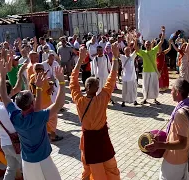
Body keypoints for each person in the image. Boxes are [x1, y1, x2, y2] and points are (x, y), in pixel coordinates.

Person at [0, 59, 65, 180]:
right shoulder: (39, 117)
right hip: (45, 160)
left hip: (27, 161)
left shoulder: (15, 117)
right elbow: (59, 104)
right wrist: (62, 82)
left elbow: (3, 95)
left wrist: (2, 75)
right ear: (32, 103)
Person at [69, 45, 120, 180]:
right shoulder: (102, 98)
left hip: (88, 142)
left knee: (89, 169)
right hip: (103, 139)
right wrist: (115, 57)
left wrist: (80, 60)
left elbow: (73, 81)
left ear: (85, 87)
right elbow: (112, 78)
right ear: (97, 88)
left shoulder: (79, 100)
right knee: (111, 168)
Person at [145, 78, 189, 180]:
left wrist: (159, 145)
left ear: (178, 92)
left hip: (175, 159)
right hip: (186, 155)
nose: (171, 92)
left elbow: (182, 143)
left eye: (172, 90)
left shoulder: (181, 114)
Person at [0, 64, 26, 180]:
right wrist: (20, 74)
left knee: (11, 167)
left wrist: (0, 143)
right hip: (17, 144)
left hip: (4, 143)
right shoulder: (15, 106)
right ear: (10, 92)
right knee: (26, 168)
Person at [29, 63, 63, 142]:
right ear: (34, 70)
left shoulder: (44, 79)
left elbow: (48, 92)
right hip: (40, 103)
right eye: (38, 69)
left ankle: (49, 134)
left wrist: (51, 86)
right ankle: (53, 136)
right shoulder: (33, 79)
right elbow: (34, 91)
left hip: (47, 101)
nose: (40, 71)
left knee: (49, 120)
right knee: (52, 119)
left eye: (41, 69)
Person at [136, 26, 165, 105]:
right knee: (145, 86)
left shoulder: (154, 50)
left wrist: (163, 32)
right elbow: (136, 49)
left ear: (150, 45)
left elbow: (161, 41)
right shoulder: (143, 52)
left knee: (154, 85)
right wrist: (136, 39)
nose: (148, 45)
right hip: (145, 71)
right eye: (146, 44)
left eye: (149, 44)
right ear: (145, 45)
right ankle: (145, 99)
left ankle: (155, 99)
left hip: (153, 71)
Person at [121, 42, 138, 107]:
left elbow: (137, 50)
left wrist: (136, 41)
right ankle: (123, 101)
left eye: (128, 50)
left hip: (132, 77)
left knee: (133, 89)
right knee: (125, 90)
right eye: (126, 51)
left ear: (130, 51)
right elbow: (115, 53)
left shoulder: (132, 56)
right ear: (124, 51)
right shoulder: (122, 57)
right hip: (125, 77)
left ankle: (135, 100)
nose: (127, 52)